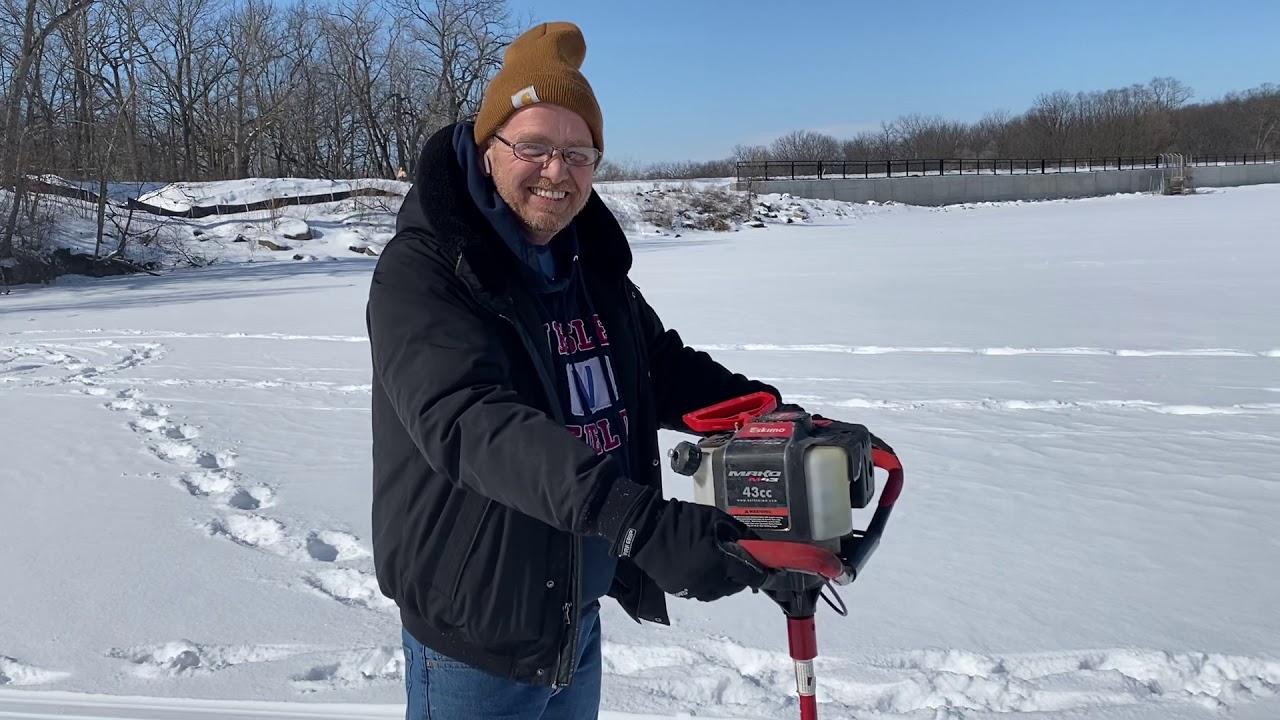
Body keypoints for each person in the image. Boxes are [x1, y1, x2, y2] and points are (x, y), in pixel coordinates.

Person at [366, 20, 797, 719]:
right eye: (534, 146)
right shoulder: (426, 273)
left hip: (573, 609)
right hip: (473, 634)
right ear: (486, 148)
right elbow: (471, 421)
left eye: (580, 153)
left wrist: (773, 416)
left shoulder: (586, 265)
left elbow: (656, 368)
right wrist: (640, 523)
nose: (558, 172)